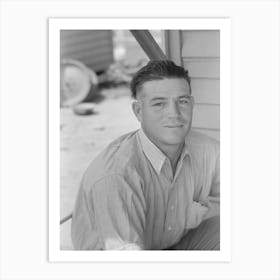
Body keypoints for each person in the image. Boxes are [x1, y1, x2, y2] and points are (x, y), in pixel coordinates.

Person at [71, 60, 220, 250]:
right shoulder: (117, 175)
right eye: (159, 104)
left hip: (169, 246)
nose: (174, 113)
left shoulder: (208, 151)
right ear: (138, 111)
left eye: (182, 101)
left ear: (191, 104)